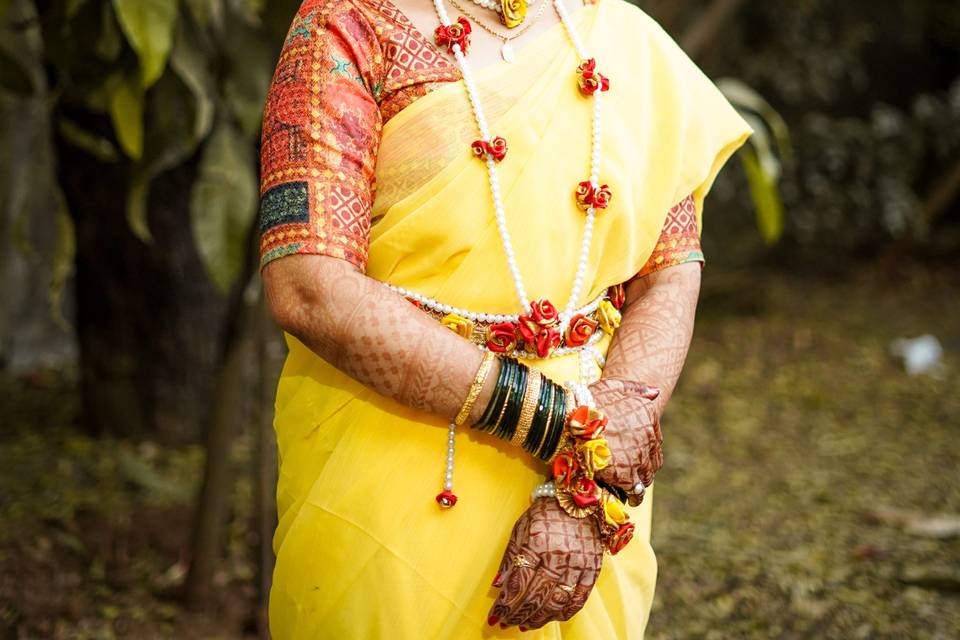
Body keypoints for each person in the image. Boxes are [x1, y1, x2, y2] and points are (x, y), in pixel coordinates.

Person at [259, 0, 750, 637]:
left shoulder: (628, 40)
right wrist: (563, 431)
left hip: (592, 482)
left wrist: (586, 492)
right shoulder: (349, 27)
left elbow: (670, 272)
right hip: (391, 475)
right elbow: (309, 287)